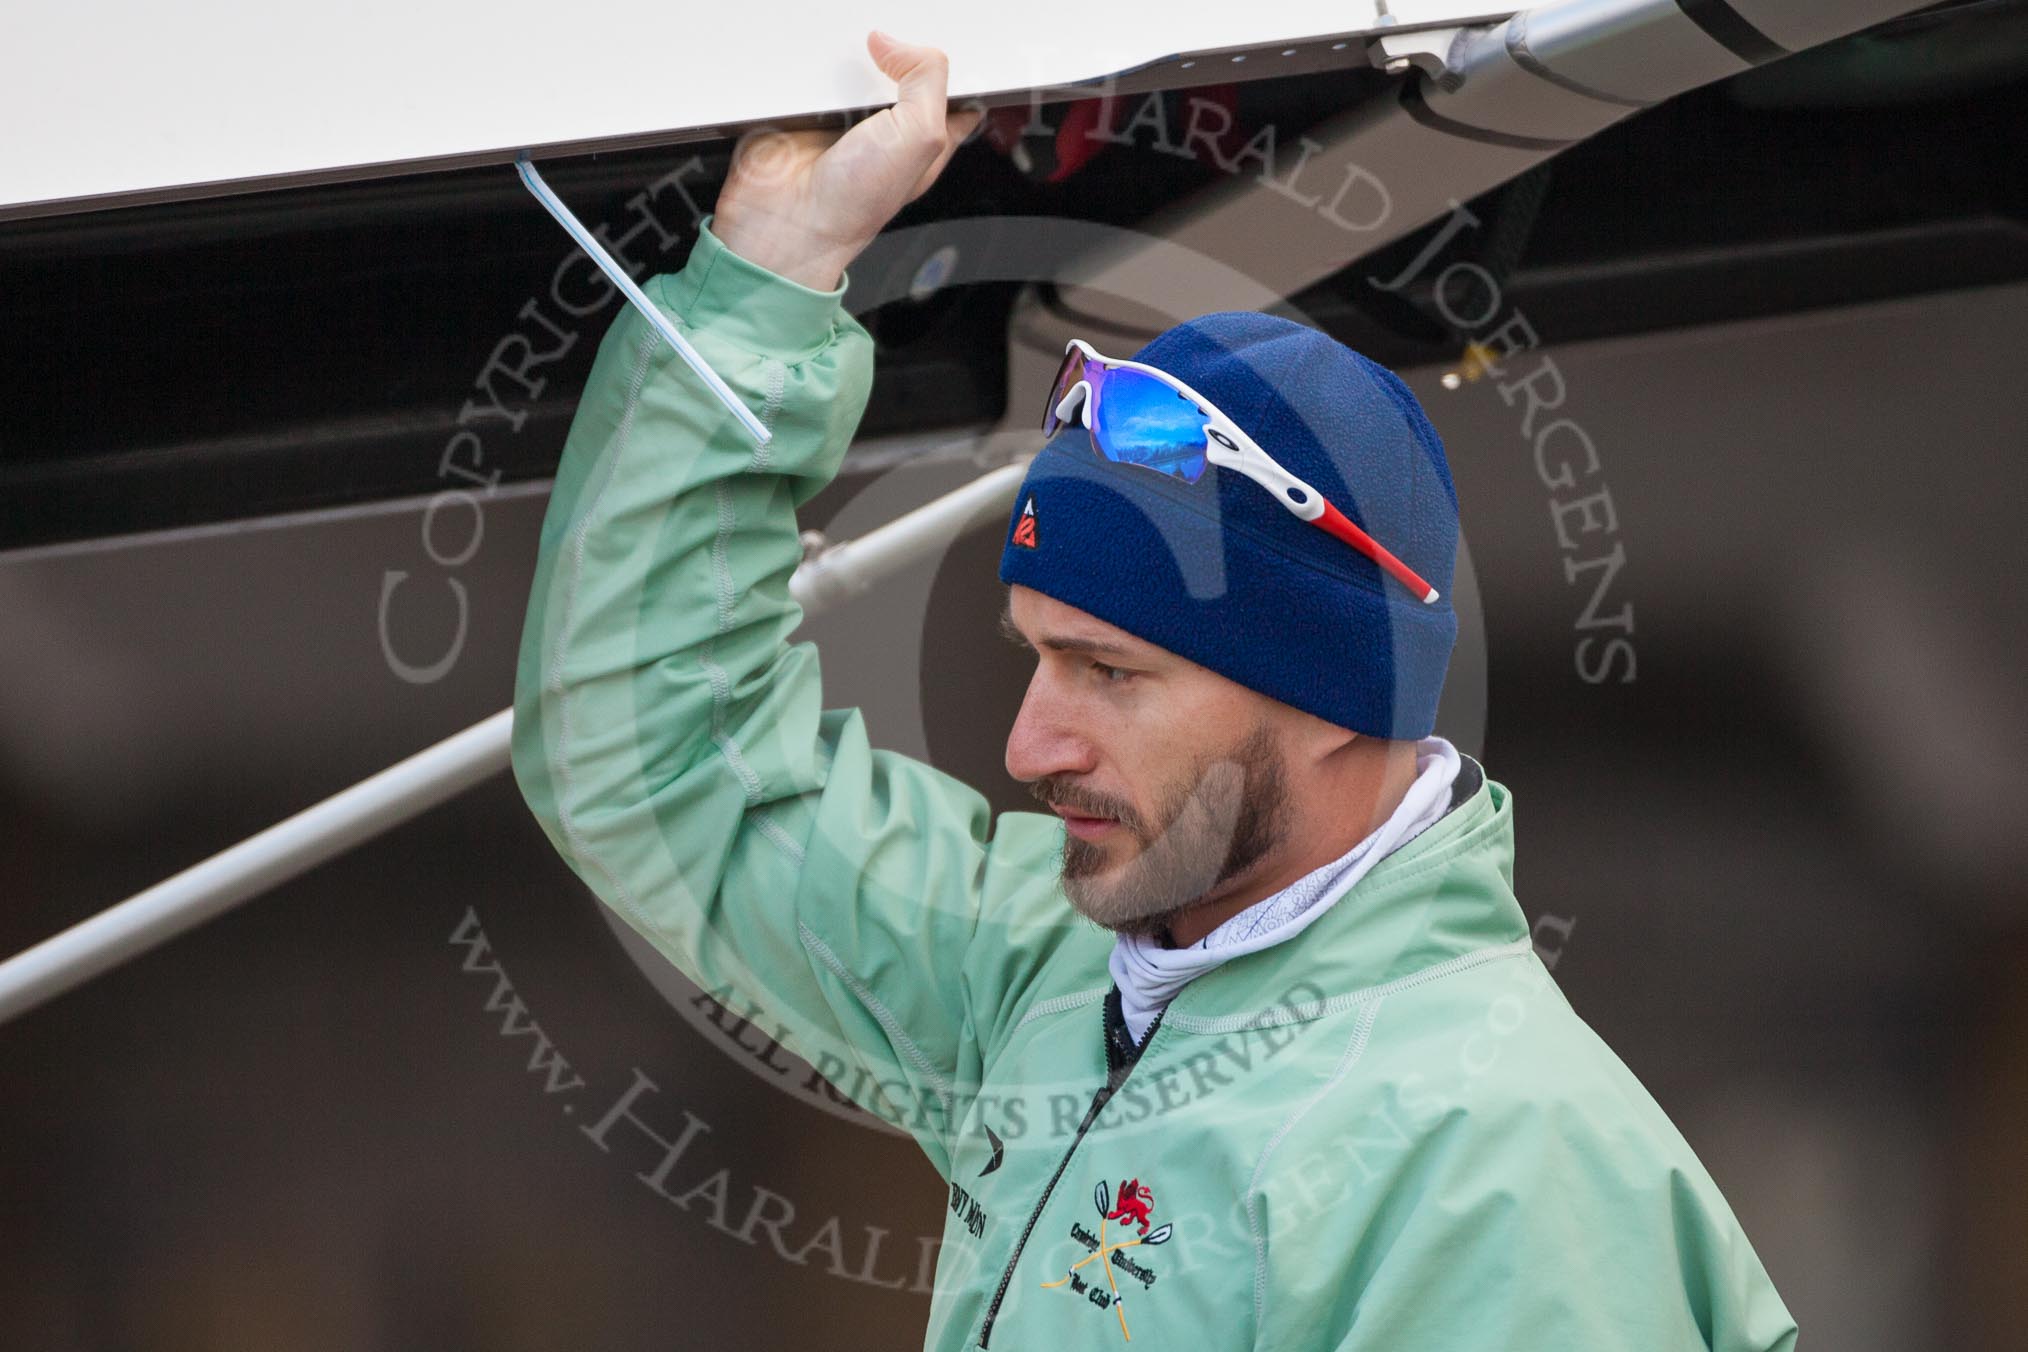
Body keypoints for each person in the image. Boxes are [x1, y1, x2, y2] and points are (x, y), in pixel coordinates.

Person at [509, 29, 1798, 1351]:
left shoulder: (1498, 1172)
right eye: (1038, 654)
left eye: (1109, 672)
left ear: (1337, 693)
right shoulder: (1052, 974)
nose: (1028, 742)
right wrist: (770, 277)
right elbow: (660, 760)